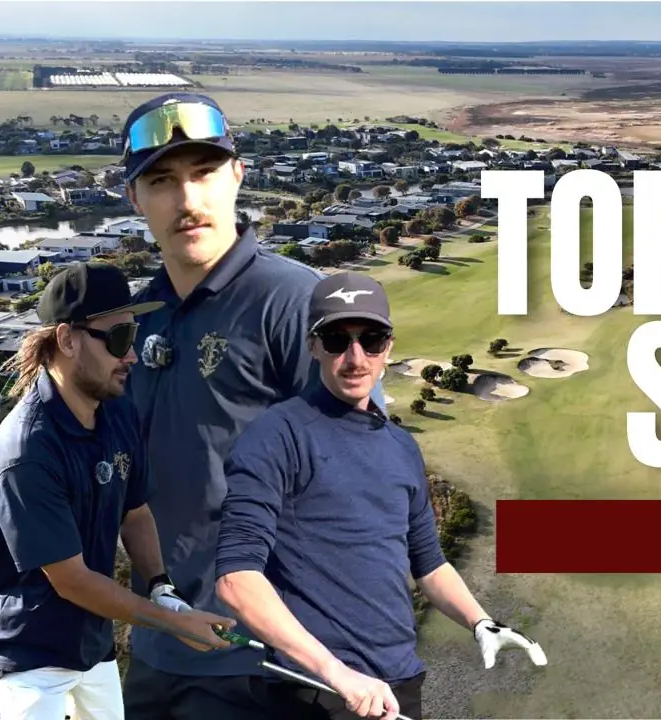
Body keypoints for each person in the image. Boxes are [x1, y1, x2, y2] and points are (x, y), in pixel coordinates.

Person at [115, 92, 387, 718]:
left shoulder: (295, 302)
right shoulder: (138, 317)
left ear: (237, 175)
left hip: (265, 662)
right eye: (161, 181)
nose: (187, 200)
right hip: (163, 641)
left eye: (204, 173)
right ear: (134, 199)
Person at [214, 272, 547, 720]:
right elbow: (237, 581)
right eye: (336, 339)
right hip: (315, 693)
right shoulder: (277, 435)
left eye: (371, 340)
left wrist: (480, 621)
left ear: (388, 348)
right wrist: (336, 673)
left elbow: (428, 563)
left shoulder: (400, 446)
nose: (355, 358)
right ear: (313, 345)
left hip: (399, 683)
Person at [0, 262, 236, 720]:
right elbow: (71, 579)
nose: (131, 356)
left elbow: (134, 512)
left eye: (132, 336)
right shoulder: (27, 451)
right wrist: (175, 624)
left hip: (92, 643)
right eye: (117, 340)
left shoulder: (116, 411)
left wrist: (161, 587)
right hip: (30, 654)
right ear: (67, 340)